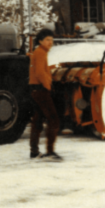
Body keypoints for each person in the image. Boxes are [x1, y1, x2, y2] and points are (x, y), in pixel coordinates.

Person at [28, 28, 62, 161]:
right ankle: (50, 151)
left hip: (36, 90)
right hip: (41, 90)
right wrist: (48, 86)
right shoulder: (41, 52)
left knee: (37, 121)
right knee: (54, 120)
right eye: (47, 40)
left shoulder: (39, 52)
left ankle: (34, 151)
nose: (50, 42)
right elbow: (40, 73)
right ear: (40, 41)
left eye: (52, 40)